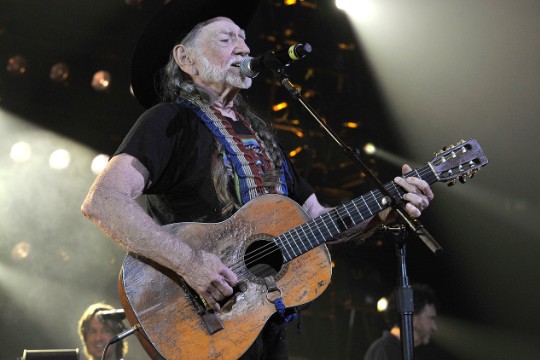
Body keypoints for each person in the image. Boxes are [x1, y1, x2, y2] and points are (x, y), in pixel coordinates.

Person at [80, 0, 434, 358]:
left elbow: (318, 222)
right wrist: (190, 264)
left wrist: (383, 208)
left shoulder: (262, 137)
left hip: (262, 328)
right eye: (226, 39)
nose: (245, 47)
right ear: (185, 59)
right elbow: (103, 201)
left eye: (244, 39)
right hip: (201, 325)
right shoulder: (168, 121)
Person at [364, 284, 438, 360]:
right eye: (431, 318)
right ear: (412, 318)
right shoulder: (384, 349)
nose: (434, 328)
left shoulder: (402, 352)